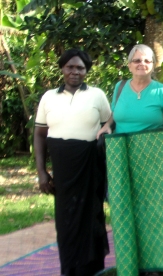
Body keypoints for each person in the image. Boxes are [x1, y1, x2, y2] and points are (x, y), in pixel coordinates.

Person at [34, 48, 111, 275]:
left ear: (86, 71)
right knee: (65, 219)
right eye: (70, 67)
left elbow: (109, 124)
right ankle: (69, 268)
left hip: (90, 164)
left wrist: (103, 137)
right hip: (62, 165)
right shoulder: (49, 97)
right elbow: (39, 135)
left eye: (80, 68)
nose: (75, 72)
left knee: (92, 215)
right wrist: (41, 172)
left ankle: (91, 268)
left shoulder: (97, 95)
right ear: (62, 69)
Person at [97, 44, 163, 136]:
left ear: (153, 66)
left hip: (153, 147)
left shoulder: (162, 91)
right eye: (137, 61)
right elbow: (114, 114)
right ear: (129, 66)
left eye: (147, 61)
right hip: (122, 146)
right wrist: (107, 125)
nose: (142, 63)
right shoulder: (120, 87)